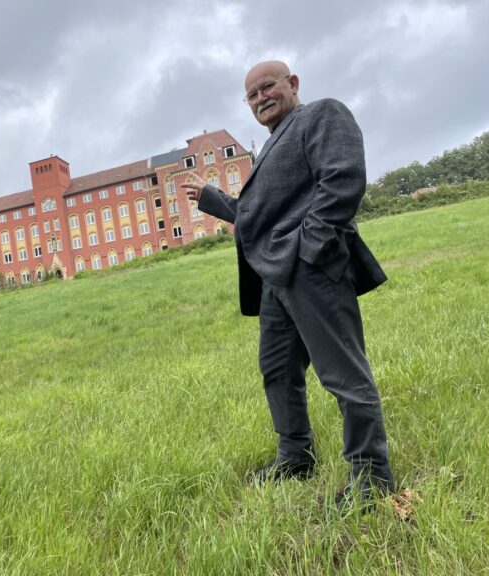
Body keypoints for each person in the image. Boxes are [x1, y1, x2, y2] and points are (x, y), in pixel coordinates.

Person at [181, 61, 395, 509]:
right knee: (278, 371)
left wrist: (306, 249)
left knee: (343, 376)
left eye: (268, 87)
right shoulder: (273, 145)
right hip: (274, 280)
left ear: (292, 84)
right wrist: (212, 200)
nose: (261, 98)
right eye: (252, 95)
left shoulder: (321, 116)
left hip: (311, 271)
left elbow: (343, 181)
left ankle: (372, 479)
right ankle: (295, 456)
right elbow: (259, 217)